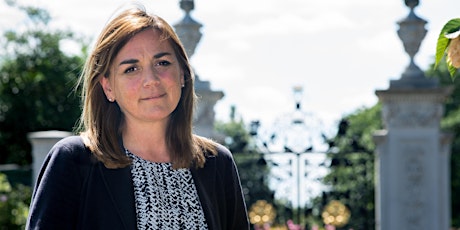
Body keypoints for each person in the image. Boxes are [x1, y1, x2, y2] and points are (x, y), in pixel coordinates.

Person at [26, 4, 249, 230]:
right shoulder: (74, 160)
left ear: (182, 74)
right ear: (108, 87)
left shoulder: (218, 163)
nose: (151, 79)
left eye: (162, 63)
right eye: (131, 69)